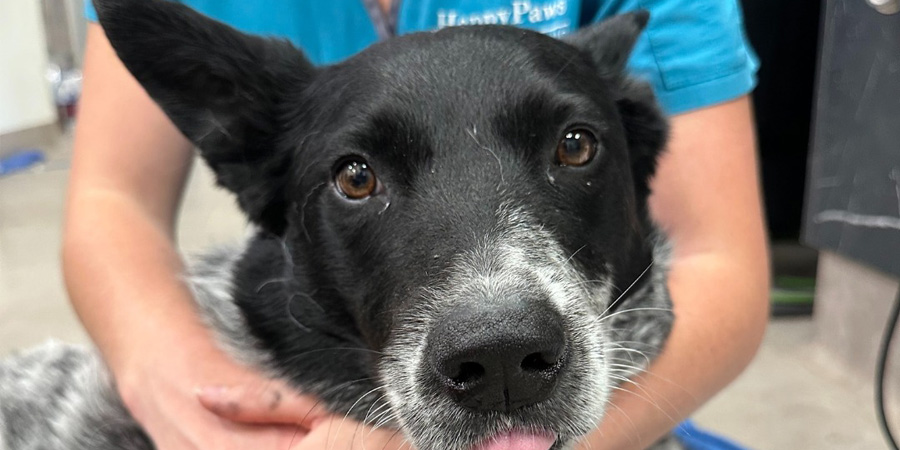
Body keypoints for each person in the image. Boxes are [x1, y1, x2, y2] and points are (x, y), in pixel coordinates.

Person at [64, 0, 770, 449]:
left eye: (573, 147)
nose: (493, 320)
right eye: (358, 178)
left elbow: (718, 258)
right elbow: (111, 197)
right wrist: (175, 387)